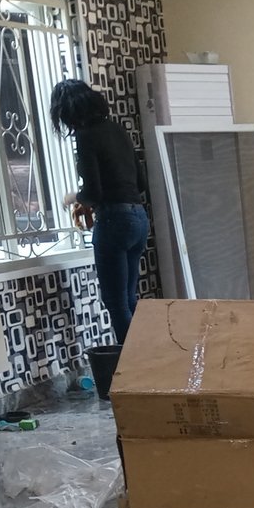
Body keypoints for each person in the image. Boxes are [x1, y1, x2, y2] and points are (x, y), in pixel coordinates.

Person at [50, 78, 148, 345]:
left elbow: (93, 191)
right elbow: (140, 182)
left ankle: (133, 371)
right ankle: (147, 364)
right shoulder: (116, 129)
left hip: (115, 221)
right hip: (139, 219)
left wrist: (72, 198)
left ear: (67, 113)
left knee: (116, 303)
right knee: (129, 299)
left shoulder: (86, 136)